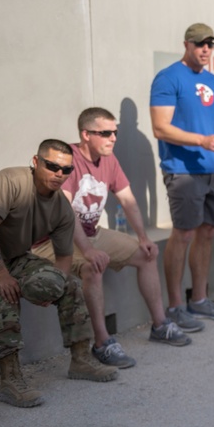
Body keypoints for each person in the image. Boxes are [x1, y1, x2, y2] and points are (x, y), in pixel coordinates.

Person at [31, 108, 190, 370]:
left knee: (147, 254)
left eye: (114, 132)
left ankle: (160, 325)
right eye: (105, 133)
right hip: (53, 241)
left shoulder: (109, 159)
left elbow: (127, 200)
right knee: (92, 268)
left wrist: (143, 237)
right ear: (85, 134)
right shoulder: (67, 159)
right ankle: (102, 342)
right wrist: (87, 250)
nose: (113, 138)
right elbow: (65, 213)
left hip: (92, 232)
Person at [0, 140, 118, 408]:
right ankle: (10, 380)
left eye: (65, 170)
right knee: (3, 293)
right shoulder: (11, 180)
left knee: (70, 286)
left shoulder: (62, 207)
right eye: (52, 166)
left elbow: (64, 256)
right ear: (36, 162)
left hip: (16, 257)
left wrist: (52, 287)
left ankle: (80, 360)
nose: (59, 174)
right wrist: (2, 275)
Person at [150, 23, 214, 328]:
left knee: (208, 232)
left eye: (210, 44)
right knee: (183, 235)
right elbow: (161, 127)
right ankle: (175, 307)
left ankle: (200, 301)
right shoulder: (168, 78)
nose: (205, 49)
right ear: (187, 44)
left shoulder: (213, 82)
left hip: (210, 170)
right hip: (182, 170)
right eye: (199, 44)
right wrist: (202, 141)